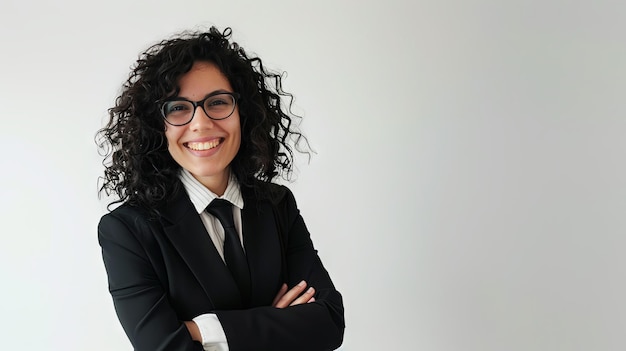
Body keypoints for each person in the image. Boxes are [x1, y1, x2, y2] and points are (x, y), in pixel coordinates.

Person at [96, 26, 345, 351]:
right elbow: (161, 346)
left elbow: (328, 323)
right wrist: (277, 323)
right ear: (157, 126)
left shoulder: (277, 204)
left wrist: (200, 330)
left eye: (217, 102)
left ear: (244, 112)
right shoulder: (127, 231)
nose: (200, 123)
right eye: (178, 108)